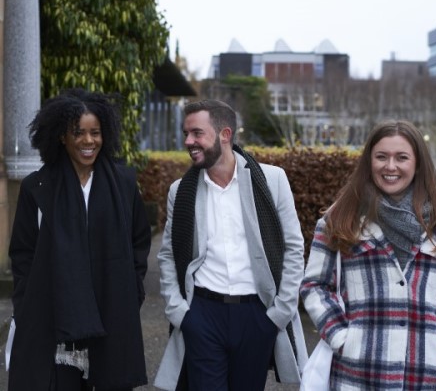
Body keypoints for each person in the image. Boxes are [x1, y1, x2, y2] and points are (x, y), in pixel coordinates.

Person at [300, 119, 436, 390]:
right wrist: (342, 338)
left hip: (425, 381)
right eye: (381, 157)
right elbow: (315, 285)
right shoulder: (340, 220)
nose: (390, 166)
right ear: (369, 162)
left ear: (418, 164)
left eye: (401, 157)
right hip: (356, 378)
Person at [154, 99, 307, 391]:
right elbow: (167, 256)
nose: (188, 141)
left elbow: (293, 248)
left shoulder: (272, 180)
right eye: (187, 133)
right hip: (202, 314)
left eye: (197, 133)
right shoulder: (181, 191)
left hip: (257, 314)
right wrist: (180, 314)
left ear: (225, 134)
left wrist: (278, 314)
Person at [8, 89, 151, 391]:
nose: (88, 141)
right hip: (53, 323)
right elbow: (22, 251)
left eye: (95, 133)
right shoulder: (38, 187)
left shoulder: (124, 183)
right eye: (79, 133)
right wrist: (27, 304)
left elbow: (139, 241)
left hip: (112, 315)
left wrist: (132, 290)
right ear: (62, 136)